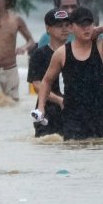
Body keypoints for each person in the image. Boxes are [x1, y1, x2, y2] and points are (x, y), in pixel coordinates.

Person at [36, 6, 103, 141]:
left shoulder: (101, 47)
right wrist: (41, 106)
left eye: (89, 24)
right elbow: (46, 81)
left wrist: (100, 29)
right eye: (82, 25)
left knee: (101, 149)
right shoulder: (62, 53)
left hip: (99, 115)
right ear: (71, 27)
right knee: (74, 149)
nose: (86, 29)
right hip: (73, 117)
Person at [28, 8, 70, 138]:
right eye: (59, 26)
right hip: (47, 110)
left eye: (67, 25)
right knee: (47, 142)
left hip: (71, 110)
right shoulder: (39, 54)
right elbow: (36, 85)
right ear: (48, 28)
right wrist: (59, 100)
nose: (64, 29)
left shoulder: (75, 52)